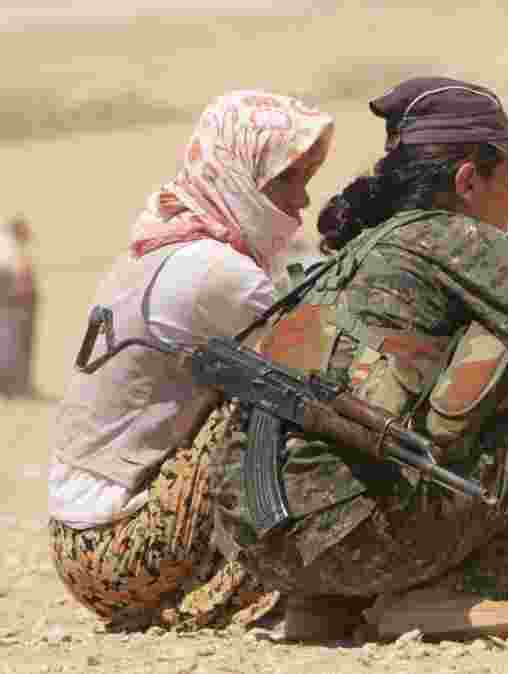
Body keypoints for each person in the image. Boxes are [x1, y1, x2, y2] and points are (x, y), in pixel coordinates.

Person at [203, 76, 508, 642]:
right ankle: (447, 595)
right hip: (342, 532)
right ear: (468, 180)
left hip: (255, 538)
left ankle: (323, 607)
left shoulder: (359, 249)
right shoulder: (461, 241)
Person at [48, 91, 335, 631]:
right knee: (291, 403)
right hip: (120, 544)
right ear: (240, 176)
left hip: (80, 541)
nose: (302, 202)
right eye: (286, 180)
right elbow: (322, 371)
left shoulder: (165, 244)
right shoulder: (213, 272)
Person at [0, 213, 37, 397]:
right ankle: (13, 387)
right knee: (11, 345)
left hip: (15, 305)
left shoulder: (9, 245)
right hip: (13, 306)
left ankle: (13, 387)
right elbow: (19, 275)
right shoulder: (8, 246)